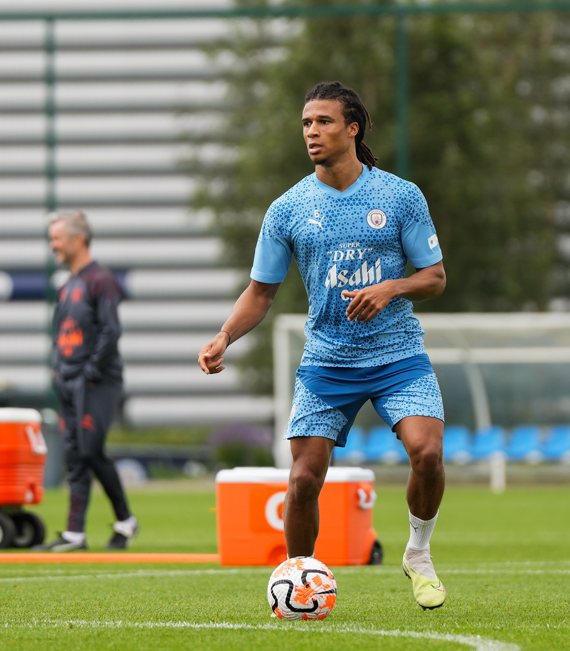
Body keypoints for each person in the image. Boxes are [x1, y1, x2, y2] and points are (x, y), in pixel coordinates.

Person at [197, 81, 448, 609]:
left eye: (324, 122)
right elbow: (260, 293)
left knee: (426, 453)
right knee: (305, 479)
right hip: (328, 361)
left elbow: (434, 277)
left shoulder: (400, 196)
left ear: (352, 128)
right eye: (307, 123)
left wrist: (390, 287)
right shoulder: (287, 208)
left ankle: (418, 554)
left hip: (398, 355)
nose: (312, 132)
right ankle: (298, 578)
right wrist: (224, 335)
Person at [34, 210, 138, 552]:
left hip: (96, 381)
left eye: (57, 238)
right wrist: (57, 369)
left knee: (91, 449)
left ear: (78, 240)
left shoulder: (100, 280)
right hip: (68, 381)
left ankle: (125, 520)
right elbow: (59, 335)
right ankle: (74, 534)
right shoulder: (68, 286)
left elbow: (111, 330)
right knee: (75, 454)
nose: (53, 245)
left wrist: (90, 370)